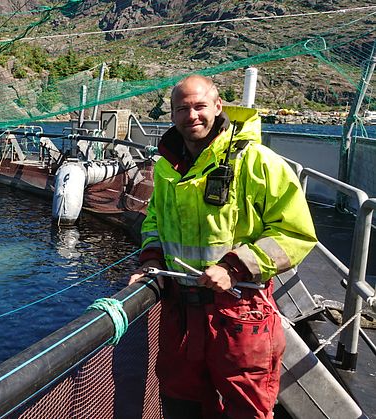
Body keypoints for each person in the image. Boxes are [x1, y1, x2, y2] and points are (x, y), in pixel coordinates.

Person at [129, 75, 317, 419]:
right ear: (171, 115)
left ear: (218, 107)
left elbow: (295, 233)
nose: (192, 116)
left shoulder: (257, 162)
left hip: (239, 314)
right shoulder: (166, 168)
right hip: (181, 313)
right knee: (180, 401)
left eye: (200, 106)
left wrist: (235, 267)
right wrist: (151, 261)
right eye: (182, 109)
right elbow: (154, 219)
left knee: (246, 408)